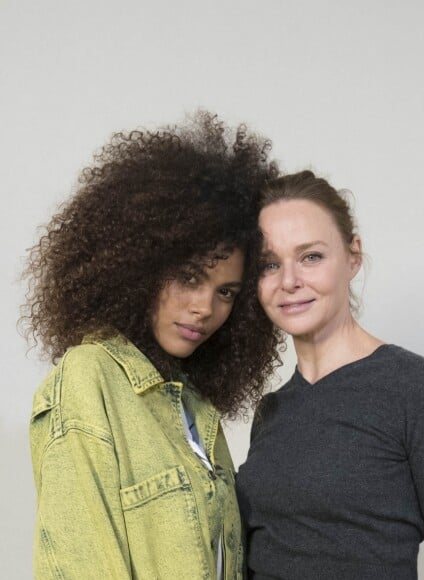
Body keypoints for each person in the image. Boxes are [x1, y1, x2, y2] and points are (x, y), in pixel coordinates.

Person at [22, 111, 282, 579]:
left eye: (226, 292)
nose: (206, 307)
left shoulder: (196, 411)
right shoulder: (89, 381)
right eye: (189, 277)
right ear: (139, 264)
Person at [236, 170, 424, 579]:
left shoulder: (418, 390)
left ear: (352, 257)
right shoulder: (271, 411)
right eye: (269, 264)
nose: (290, 281)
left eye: (311, 256)